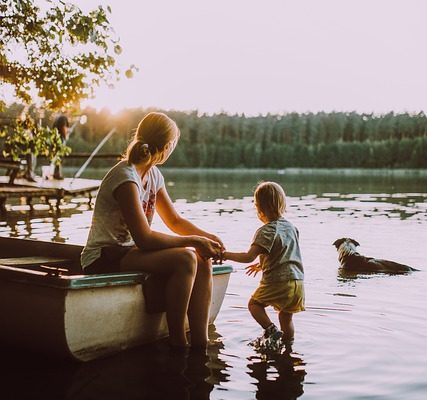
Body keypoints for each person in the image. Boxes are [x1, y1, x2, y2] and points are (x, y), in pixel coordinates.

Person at [80, 112, 223, 350]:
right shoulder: (126, 177)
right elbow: (145, 238)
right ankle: (178, 342)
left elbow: (175, 220)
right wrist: (193, 241)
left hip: (129, 252)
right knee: (187, 258)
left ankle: (201, 343)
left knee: (202, 258)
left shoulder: (153, 174)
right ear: (167, 146)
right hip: (103, 256)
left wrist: (207, 238)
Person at [221, 181, 305, 352]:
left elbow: (247, 257)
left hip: (278, 281)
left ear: (259, 207)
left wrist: (225, 255)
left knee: (254, 305)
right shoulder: (292, 228)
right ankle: (287, 348)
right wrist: (261, 265)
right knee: (286, 317)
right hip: (298, 283)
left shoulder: (265, 231)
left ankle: (271, 330)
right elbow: (283, 253)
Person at [52, 115, 70, 179]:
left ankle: (55, 173)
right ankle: (57, 174)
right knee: (59, 157)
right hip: (60, 139)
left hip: (55, 139)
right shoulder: (64, 118)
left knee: (56, 157)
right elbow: (63, 128)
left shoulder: (57, 118)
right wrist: (65, 136)